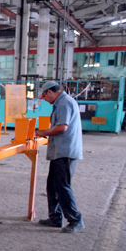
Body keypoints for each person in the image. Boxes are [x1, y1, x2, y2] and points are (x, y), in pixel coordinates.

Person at [35, 81, 84, 234]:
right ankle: (55, 218)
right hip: (60, 151)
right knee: (52, 186)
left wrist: (42, 132)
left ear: (50, 92)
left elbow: (62, 127)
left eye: (44, 97)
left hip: (65, 152)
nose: (45, 100)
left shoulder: (64, 103)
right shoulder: (62, 102)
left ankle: (75, 220)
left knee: (62, 187)